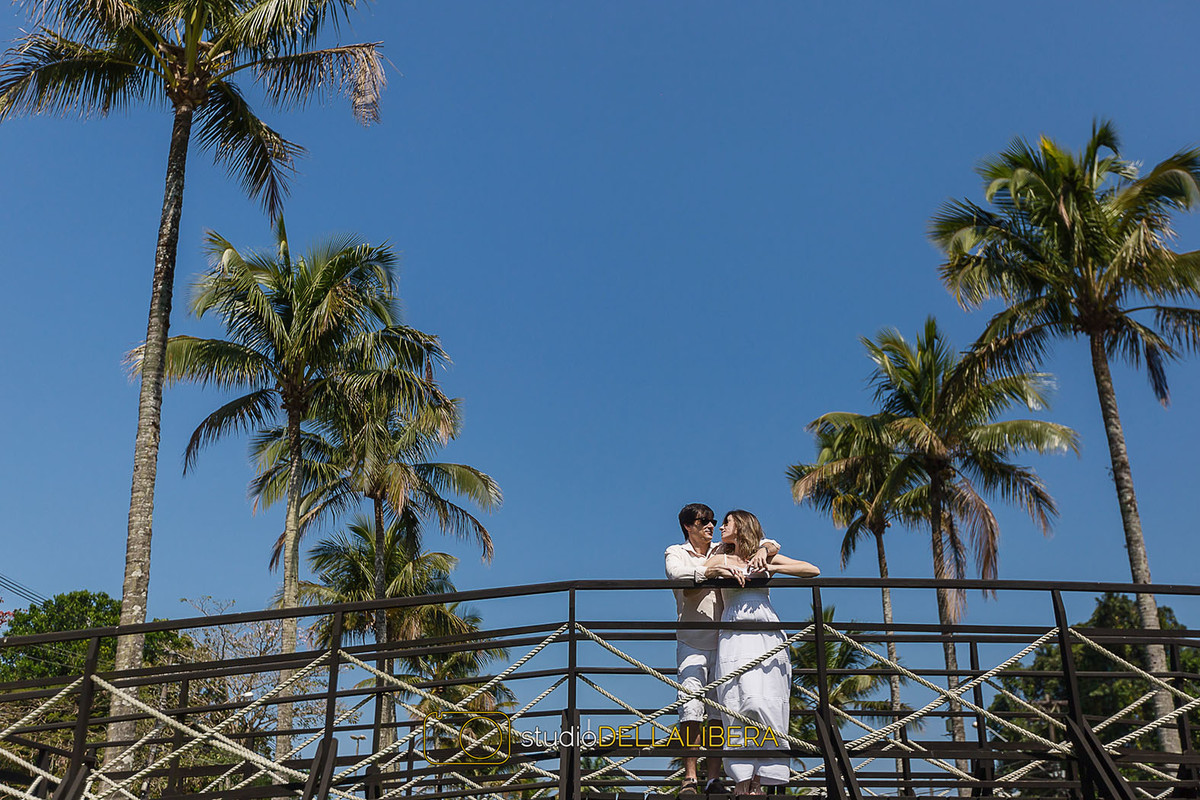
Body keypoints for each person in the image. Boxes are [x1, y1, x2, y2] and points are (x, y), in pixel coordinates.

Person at [665, 503, 780, 796]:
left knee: (721, 712)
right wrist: (712, 568)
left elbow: (767, 542)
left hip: (728, 643)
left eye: (713, 521)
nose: (710, 525)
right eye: (703, 521)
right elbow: (678, 576)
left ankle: (714, 780)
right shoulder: (675, 552)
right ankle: (690, 778)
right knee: (690, 706)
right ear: (688, 526)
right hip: (692, 640)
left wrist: (764, 551)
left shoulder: (722, 549)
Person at [704, 510, 819, 795]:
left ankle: (761, 779)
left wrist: (774, 567)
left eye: (726, 523)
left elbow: (811, 570)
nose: (720, 527)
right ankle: (741, 779)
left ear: (740, 527)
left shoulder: (764, 555)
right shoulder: (722, 556)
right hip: (734, 628)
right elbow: (708, 570)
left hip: (766, 628)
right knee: (739, 699)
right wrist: (724, 571)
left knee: (766, 699)